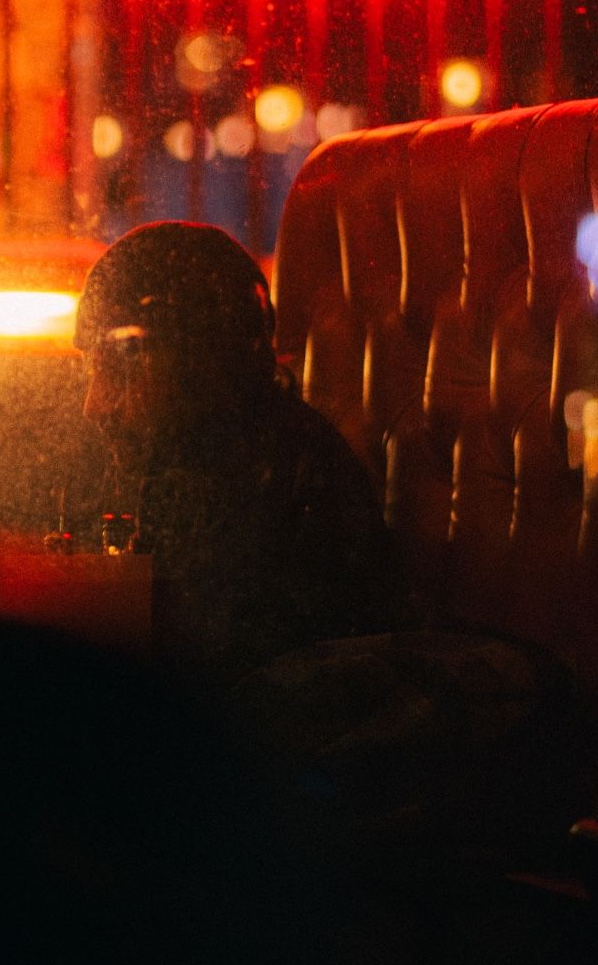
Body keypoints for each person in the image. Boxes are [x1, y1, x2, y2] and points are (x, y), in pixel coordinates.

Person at [74, 221, 395, 684]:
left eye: (121, 369)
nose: (94, 406)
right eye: (91, 371)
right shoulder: (208, 460)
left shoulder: (271, 480)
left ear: (198, 360)